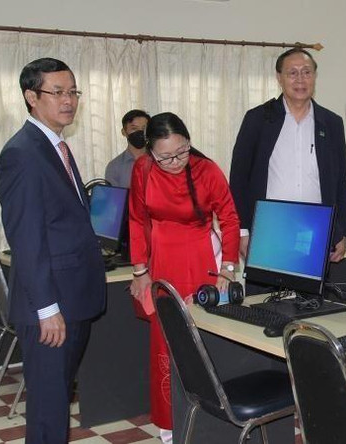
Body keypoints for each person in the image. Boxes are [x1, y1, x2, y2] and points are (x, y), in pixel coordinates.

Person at [0, 58, 107, 444]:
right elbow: (26, 239)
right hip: (50, 307)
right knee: (48, 412)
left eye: (72, 91)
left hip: (69, 297)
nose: (68, 100)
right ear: (31, 96)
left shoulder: (53, 145)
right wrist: (47, 309)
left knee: (57, 404)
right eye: (57, 92)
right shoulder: (24, 154)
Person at [128, 112, 240, 442]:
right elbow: (136, 220)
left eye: (182, 151)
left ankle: (212, 421)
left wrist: (228, 269)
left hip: (201, 255)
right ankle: (169, 426)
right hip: (161, 259)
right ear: (150, 152)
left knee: (200, 339)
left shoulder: (206, 170)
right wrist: (140, 271)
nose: (176, 162)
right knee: (166, 343)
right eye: (165, 157)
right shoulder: (143, 170)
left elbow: (230, 219)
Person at [229, 47, 346, 294]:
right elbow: (238, 179)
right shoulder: (258, 119)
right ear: (279, 77)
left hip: (315, 232)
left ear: (315, 76)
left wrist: (341, 231)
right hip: (268, 232)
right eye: (292, 73)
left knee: (310, 312)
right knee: (263, 310)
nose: (300, 79)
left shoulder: (331, 122)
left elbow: (342, 182)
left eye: (306, 72)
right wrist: (242, 231)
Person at [105, 109, 151, 187]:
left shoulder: (160, 161)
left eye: (144, 128)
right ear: (124, 132)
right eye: (134, 128)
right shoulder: (114, 166)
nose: (140, 132)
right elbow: (114, 197)